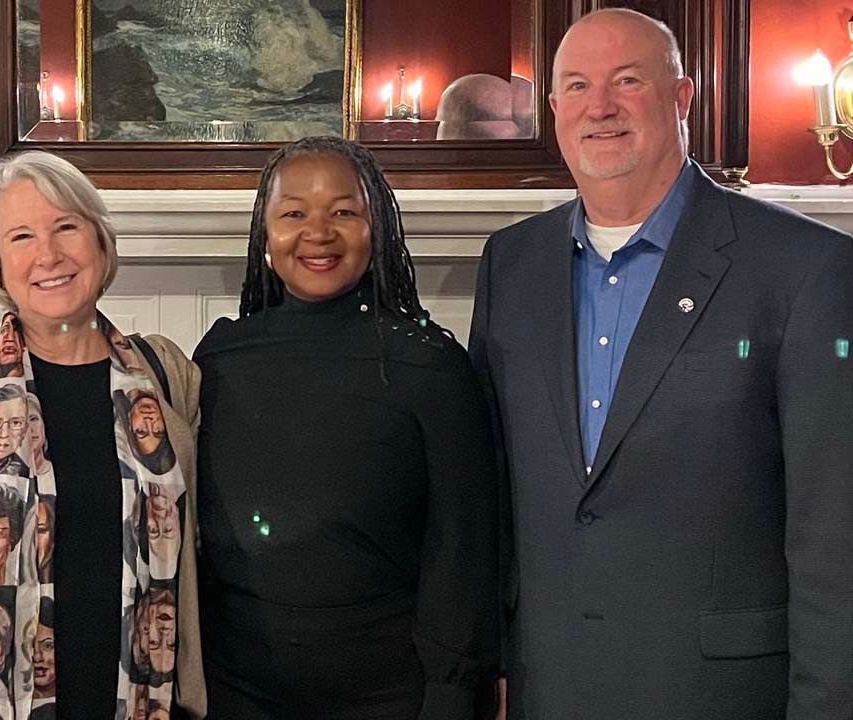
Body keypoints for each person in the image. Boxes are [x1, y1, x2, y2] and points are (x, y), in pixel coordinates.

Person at [468, 8, 853, 720]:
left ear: (680, 98)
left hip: (721, 695)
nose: (600, 107)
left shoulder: (805, 270)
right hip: (547, 687)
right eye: (577, 86)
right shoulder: (511, 265)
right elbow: (488, 494)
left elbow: (834, 536)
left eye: (627, 82)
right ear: (553, 111)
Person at [193, 135, 499, 720]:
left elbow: (462, 551)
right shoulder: (220, 359)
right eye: (293, 214)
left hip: (388, 693)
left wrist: (454, 691)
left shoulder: (429, 366)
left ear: (377, 225)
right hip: (236, 688)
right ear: (265, 235)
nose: (318, 232)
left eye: (343, 211)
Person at [0, 150, 206, 719]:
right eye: (20, 237)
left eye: (67, 226)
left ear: (100, 242)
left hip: (138, 697)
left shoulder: (166, 373)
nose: (49, 255)